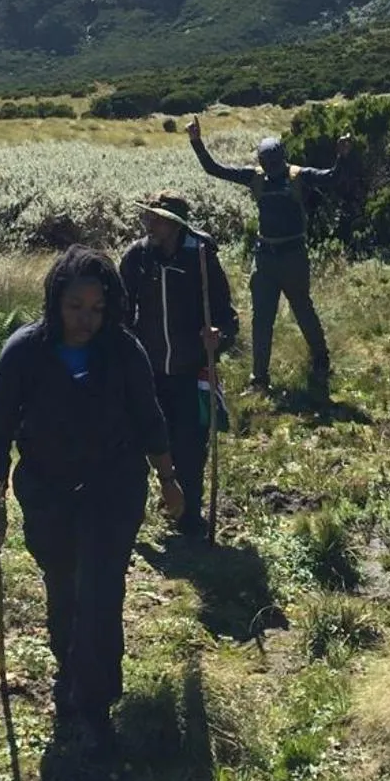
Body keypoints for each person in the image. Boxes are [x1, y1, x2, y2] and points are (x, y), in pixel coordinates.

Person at [0, 246, 182, 761]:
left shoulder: (123, 350)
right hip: (46, 490)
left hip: (113, 486)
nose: (85, 319)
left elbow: (148, 416)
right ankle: (69, 666)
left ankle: (92, 702)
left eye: (96, 308)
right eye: (75, 306)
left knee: (100, 585)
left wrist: (168, 480)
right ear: (55, 301)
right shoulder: (24, 352)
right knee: (63, 582)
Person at [188, 119, 353, 395]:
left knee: (301, 309)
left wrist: (343, 158)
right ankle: (260, 379)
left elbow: (333, 177)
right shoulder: (256, 177)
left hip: (291, 256)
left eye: (273, 162)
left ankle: (320, 359)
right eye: (267, 162)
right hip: (266, 258)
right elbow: (213, 169)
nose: (271, 167)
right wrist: (196, 142)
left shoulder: (298, 175)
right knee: (263, 318)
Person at [120, 192, 238, 540]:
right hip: (148, 372)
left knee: (189, 446)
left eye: (155, 219)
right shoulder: (138, 257)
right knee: (139, 443)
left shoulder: (201, 257)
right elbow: (122, 312)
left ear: (174, 225)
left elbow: (226, 317)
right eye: (148, 218)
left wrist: (220, 337)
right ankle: (132, 515)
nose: (148, 225)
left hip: (190, 372)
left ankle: (189, 518)